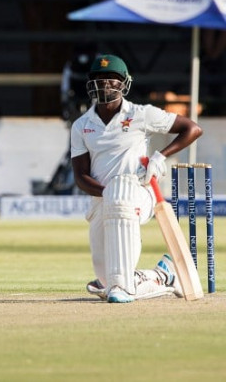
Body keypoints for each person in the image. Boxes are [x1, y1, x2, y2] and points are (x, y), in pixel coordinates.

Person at [70, 54, 203, 303]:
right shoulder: (81, 125)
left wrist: (160, 157)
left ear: (124, 84)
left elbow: (192, 129)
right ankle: (161, 276)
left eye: (112, 79)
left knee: (121, 192)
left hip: (138, 193)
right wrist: (108, 192)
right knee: (107, 280)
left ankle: (124, 286)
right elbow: (81, 176)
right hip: (102, 198)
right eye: (99, 79)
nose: (105, 84)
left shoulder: (141, 114)